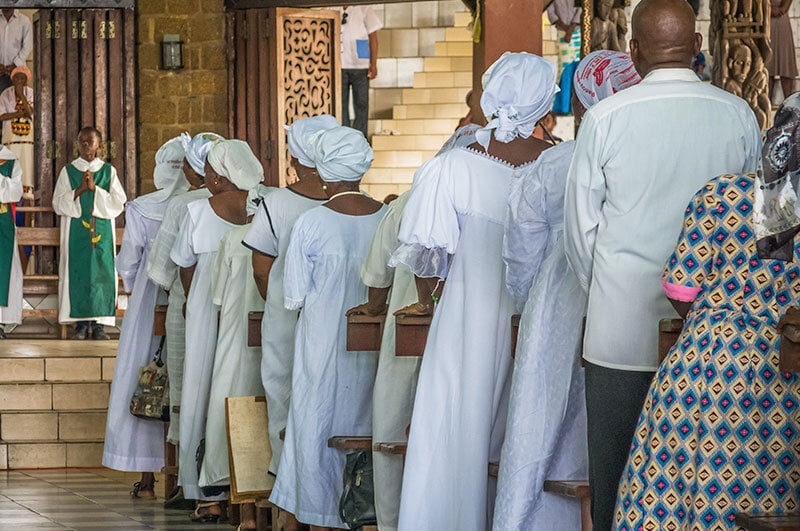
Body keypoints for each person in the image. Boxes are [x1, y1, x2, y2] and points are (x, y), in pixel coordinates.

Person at [563, 1, 762, 529]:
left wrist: (606, 290)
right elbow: (756, 227)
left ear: (633, 51)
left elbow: (581, 231)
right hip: (720, 342)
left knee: (615, 476)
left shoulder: (606, 117)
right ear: (697, 48)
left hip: (620, 331)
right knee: (707, 483)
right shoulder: (737, 114)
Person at [614, 95, 800, 529]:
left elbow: (680, 287)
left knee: (675, 504)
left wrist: (726, 313)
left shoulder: (722, 194)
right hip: (786, 389)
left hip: (706, 373)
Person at [389, 52, 557, 531]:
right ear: (543, 106)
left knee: (455, 428)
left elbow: (427, 256)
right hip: (540, 317)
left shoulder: (454, 166)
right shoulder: (557, 164)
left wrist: (432, 300)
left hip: (467, 314)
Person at [494, 51, 641, 531]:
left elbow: (521, 250)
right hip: (633, 294)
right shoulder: (641, 158)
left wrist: (527, 303)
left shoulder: (552, 164)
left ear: (579, 106)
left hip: (558, 297)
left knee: (541, 420)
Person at [269, 126, 386, 530]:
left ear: (322, 171)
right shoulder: (386, 217)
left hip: (322, 345)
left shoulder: (312, 223)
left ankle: (318, 515)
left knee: (316, 424)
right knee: (366, 421)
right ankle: (366, 509)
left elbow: (295, 296)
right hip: (374, 353)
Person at [242, 115, 335, 496]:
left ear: (296, 159)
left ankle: (287, 486)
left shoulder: (276, 202)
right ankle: (325, 486)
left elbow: (261, 270)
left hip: (284, 312)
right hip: (334, 316)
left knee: (282, 392)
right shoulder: (352, 203)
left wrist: (282, 306)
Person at [170, 139, 262, 522]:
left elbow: (184, 265)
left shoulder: (195, 212)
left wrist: (196, 304)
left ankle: (206, 492)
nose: (203, 176)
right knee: (245, 388)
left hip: (208, 307)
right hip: (254, 305)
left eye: (208, 170)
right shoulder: (264, 206)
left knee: (201, 388)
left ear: (222, 177)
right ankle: (248, 486)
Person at [102, 137, 188, 499]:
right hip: (188, 300)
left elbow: (128, 265)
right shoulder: (202, 205)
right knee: (186, 381)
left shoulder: (141, 208)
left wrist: (143, 293)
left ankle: (148, 478)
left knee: (145, 378)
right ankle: (187, 477)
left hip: (149, 302)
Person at [146, 132, 222, 475]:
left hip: (188, 308)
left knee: (187, 385)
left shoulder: (182, 205)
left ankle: (187, 480)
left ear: (193, 170)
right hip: (233, 310)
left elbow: (162, 271)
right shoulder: (252, 199)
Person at [345, 189, 417, 531]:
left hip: (407, 323)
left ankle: (393, 520)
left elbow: (378, 274)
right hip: (476, 327)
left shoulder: (406, 202)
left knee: (394, 418)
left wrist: (375, 307)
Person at [52, 127, 127, 340]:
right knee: (78, 272)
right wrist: (80, 191)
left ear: (99, 146)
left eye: (90, 141)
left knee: (101, 274)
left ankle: (100, 325)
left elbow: (118, 203)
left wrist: (96, 190)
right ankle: (82, 325)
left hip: (102, 236)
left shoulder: (108, 172)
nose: (86, 145)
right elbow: (57, 203)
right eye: (82, 141)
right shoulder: (68, 171)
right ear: (77, 144)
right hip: (76, 235)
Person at [336, 5, 382, 138]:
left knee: (361, 104)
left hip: (360, 65)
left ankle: (360, 139)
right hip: (339, 64)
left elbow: (373, 37)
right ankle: (343, 139)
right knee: (341, 105)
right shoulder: (331, 6)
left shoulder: (364, 7)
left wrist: (373, 63)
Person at [0, 65, 33, 195]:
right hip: (10, 142)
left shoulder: (31, 93)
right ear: (12, 79)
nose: (19, 81)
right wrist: (19, 114)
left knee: (27, 173)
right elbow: (2, 116)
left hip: (27, 143)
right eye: (17, 78)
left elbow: (30, 112)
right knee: (10, 169)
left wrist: (21, 95)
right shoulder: (5, 94)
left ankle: (28, 210)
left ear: (26, 81)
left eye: (22, 78)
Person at [0, 145, 22, 339]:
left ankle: (1, 321)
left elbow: (15, 192)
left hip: (3, 224)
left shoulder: (11, 161)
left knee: (3, 270)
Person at [768, 0, 797, 101]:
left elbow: (784, 8)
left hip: (781, 22)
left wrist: (779, 9)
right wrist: (767, 10)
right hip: (766, 23)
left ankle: (790, 105)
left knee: (786, 65)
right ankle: (766, 105)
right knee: (767, 66)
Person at [0, 10, 32, 94]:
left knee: (17, 103)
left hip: (18, 73)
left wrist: (15, 65)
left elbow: (28, 45)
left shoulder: (24, 20)